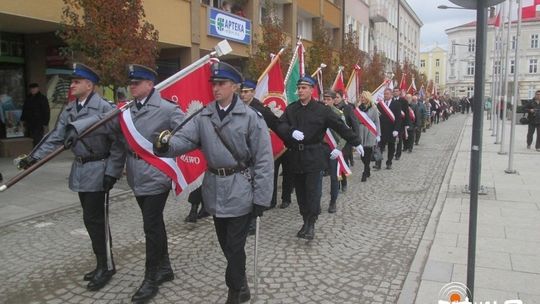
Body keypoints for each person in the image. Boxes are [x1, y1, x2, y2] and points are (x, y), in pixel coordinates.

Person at [154, 62, 273, 304]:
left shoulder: (251, 117)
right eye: (214, 84)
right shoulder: (204, 115)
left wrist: (262, 198)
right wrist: (167, 146)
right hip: (214, 189)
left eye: (221, 84)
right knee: (226, 245)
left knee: (235, 245)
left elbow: (263, 159)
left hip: (240, 187)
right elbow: (186, 140)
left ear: (235, 87)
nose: (216, 88)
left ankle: (235, 291)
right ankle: (243, 285)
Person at [68, 64, 184, 303]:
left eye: (136, 83)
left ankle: (150, 277)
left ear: (150, 85)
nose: (131, 86)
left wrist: (170, 146)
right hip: (135, 175)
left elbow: (187, 133)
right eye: (130, 83)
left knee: (150, 226)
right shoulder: (126, 110)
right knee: (155, 224)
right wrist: (77, 129)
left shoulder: (166, 109)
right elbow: (115, 137)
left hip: (156, 174)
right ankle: (165, 267)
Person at [17, 63, 125, 291]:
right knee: (89, 220)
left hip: (99, 168)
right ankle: (100, 264)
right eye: (72, 81)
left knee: (97, 222)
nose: (72, 85)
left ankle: (106, 267)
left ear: (89, 85)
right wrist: (33, 157)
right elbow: (55, 136)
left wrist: (112, 172)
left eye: (76, 82)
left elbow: (118, 143)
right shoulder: (69, 109)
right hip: (81, 170)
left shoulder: (105, 108)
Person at [276, 76, 363, 240]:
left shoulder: (322, 110)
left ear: (312, 90)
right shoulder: (292, 109)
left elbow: (340, 126)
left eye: (304, 87)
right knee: (301, 193)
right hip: (296, 156)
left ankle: (311, 223)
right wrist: (290, 132)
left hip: (313, 155)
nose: (300, 90)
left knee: (312, 192)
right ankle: (305, 220)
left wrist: (356, 141)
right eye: (299, 87)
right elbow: (280, 124)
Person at [239, 79, 282, 234]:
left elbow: (277, 124)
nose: (243, 94)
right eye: (242, 91)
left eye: (246, 91)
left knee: (254, 186)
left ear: (253, 92)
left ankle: (252, 220)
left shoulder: (260, 109)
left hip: (256, 154)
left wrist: (290, 138)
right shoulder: (237, 107)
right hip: (240, 155)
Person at [323, 90, 347, 213]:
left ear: (334, 100)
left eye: (328, 99)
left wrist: (339, 149)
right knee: (316, 176)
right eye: (324, 99)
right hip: (320, 148)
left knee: (334, 177)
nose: (326, 102)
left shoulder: (339, 114)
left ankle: (333, 202)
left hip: (334, 148)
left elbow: (345, 133)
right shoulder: (318, 112)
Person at [334, 90, 361, 192]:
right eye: (334, 97)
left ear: (342, 97)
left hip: (345, 140)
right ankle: (336, 184)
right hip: (333, 140)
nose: (335, 99)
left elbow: (355, 125)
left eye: (337, 97)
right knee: (334, 163)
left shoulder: (348, 108)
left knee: (343, 161)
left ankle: (344, 182)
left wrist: (356, 140)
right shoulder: (330, 109)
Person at [374, 88, 403, 170]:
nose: (386, 95)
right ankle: (378, 163)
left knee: (391, 147)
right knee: (379, 147)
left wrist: (396, 130)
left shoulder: (396, 104)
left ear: (391, 95)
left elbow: (398, 118)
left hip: (391, 130)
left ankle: (389, 162)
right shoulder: (380, 104)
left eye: (387, 94)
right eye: (385, 94)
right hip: (381, 130)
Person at [357, 91, 380, 182]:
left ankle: (365, 172)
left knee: (368, 152)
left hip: (370, 131)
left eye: (363, 97)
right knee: (362, 154)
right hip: (360, 131)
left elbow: (377, 122)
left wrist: (378, 134)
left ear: (368, 98)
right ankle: (368, 168)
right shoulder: (358, 108)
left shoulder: (373, 108)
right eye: (361, 97)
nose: (362, 99)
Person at [392, 88, 410, 160]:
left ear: (399, 92)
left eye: (397, 91)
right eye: (394, 91)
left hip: (401, 123)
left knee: (399, 139)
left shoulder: (404, 101)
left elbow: (406, 113)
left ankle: (398, 154)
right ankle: (392, 152)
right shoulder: (391, 100)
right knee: (392, 139)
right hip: (392, 123)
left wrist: (407, 124)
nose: (395, 93)